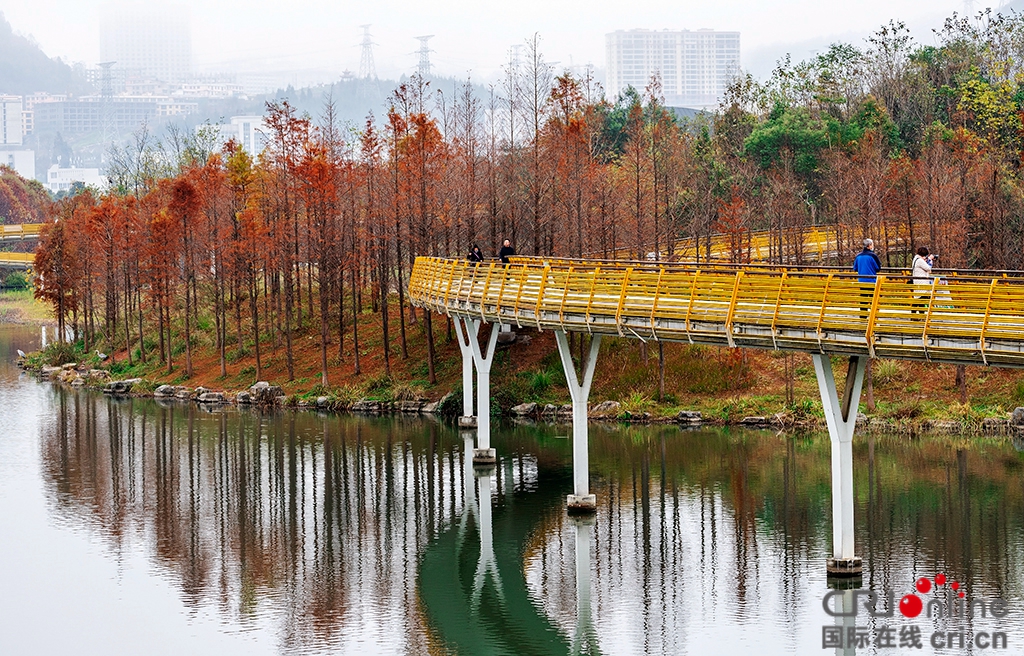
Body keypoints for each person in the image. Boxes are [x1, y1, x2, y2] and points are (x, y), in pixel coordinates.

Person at [852, 238, 882, 320]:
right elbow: (878, 268)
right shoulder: (873, 256)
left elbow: (855, 268)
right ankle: (873, 317)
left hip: (861, 281)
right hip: (872, 281)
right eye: (872, 244)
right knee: (873, 299)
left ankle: (863, 316)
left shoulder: (858, 256)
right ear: (869, 246)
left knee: (863, 299)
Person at [911, 246, 935, 314]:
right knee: (920, 298)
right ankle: (918, 314)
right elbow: (928, 268)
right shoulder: (919, 260)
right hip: (921, 282)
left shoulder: (916, 259)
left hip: (918, 281)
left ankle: (917, 314)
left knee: (919, 298)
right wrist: (930, 259)